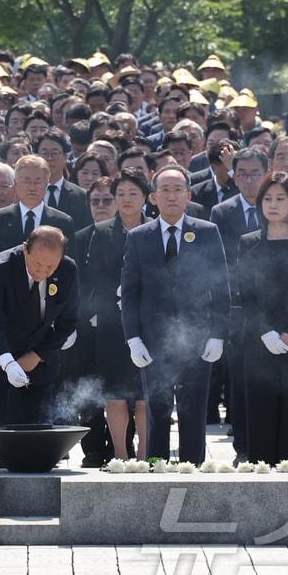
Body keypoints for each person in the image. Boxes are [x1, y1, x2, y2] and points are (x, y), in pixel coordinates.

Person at [121, 164, 230, 464]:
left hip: (196, 337)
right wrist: (134, 339)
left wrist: (217, 334)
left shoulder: (207, 232)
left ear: (188, 195)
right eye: (164, 190)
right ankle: (156, 472)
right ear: (153, 197)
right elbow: (129, 292)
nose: (171, 196)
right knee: (156, 410)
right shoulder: (139, 236)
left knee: (193, 410)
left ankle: (191, 471)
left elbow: (221, 288)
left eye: (177, 189)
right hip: (153, 338)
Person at [234, 174, 288, 467]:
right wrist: (265, 332)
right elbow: (244, 292)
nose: (273, 205)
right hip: (260, 343)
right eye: (268, 199)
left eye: (280, 198)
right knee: (260, 414)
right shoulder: (249, 243)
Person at [0, 226, 79, 434]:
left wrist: (37, 355)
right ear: (25, 249)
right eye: (37, 264)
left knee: (37, 433)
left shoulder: (68, 270)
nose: (43, 272)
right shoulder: (0, 268)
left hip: (39, 362)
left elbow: (67, 323)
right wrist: (8, 363)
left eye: (51, 266)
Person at [83, 169, 151, 460]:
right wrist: (116, 294)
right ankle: (122, 456)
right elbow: (93, 275)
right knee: (115, 392)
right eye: (119, 194)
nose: (125, 199)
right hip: (112, 324)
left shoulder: (156, 228)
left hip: (149, 322)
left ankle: (147, 456)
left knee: (146, 395)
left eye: (132, 193)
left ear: (146, 197)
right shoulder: (101, 232)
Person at [210, 147, 268, 459]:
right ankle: (243, 445)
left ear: (266, 173)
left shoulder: (277, 206)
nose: (247, 179)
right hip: (238, 307)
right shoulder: (222, 211)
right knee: (240, 379)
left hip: (272, 304)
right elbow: (218, 262)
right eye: (241, 173)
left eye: (254, 173)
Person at [0, 156, 80, 252]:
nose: (32, 188)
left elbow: (69, 264)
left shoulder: (63, 222)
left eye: (38, 182)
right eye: (26, 181)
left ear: (47, 184)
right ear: (15, 184)